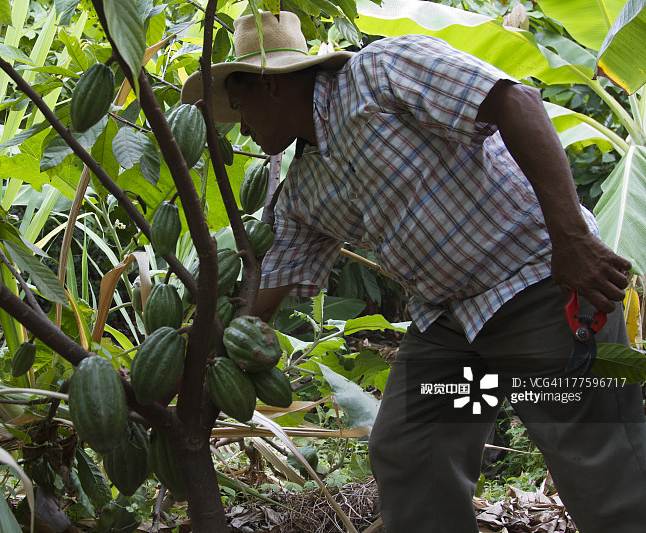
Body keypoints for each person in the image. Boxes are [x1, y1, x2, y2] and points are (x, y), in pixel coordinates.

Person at [181, 11, 646, 533]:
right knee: (410, 453)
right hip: (452, 331)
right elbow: (263, 295)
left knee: (598, 464)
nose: (239, 126)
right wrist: (186, 359)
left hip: (539, 286)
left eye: (239, 106)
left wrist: (573, 240)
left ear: (270, 87)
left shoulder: (384, 71)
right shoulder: (301, 191)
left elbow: (517, 102)